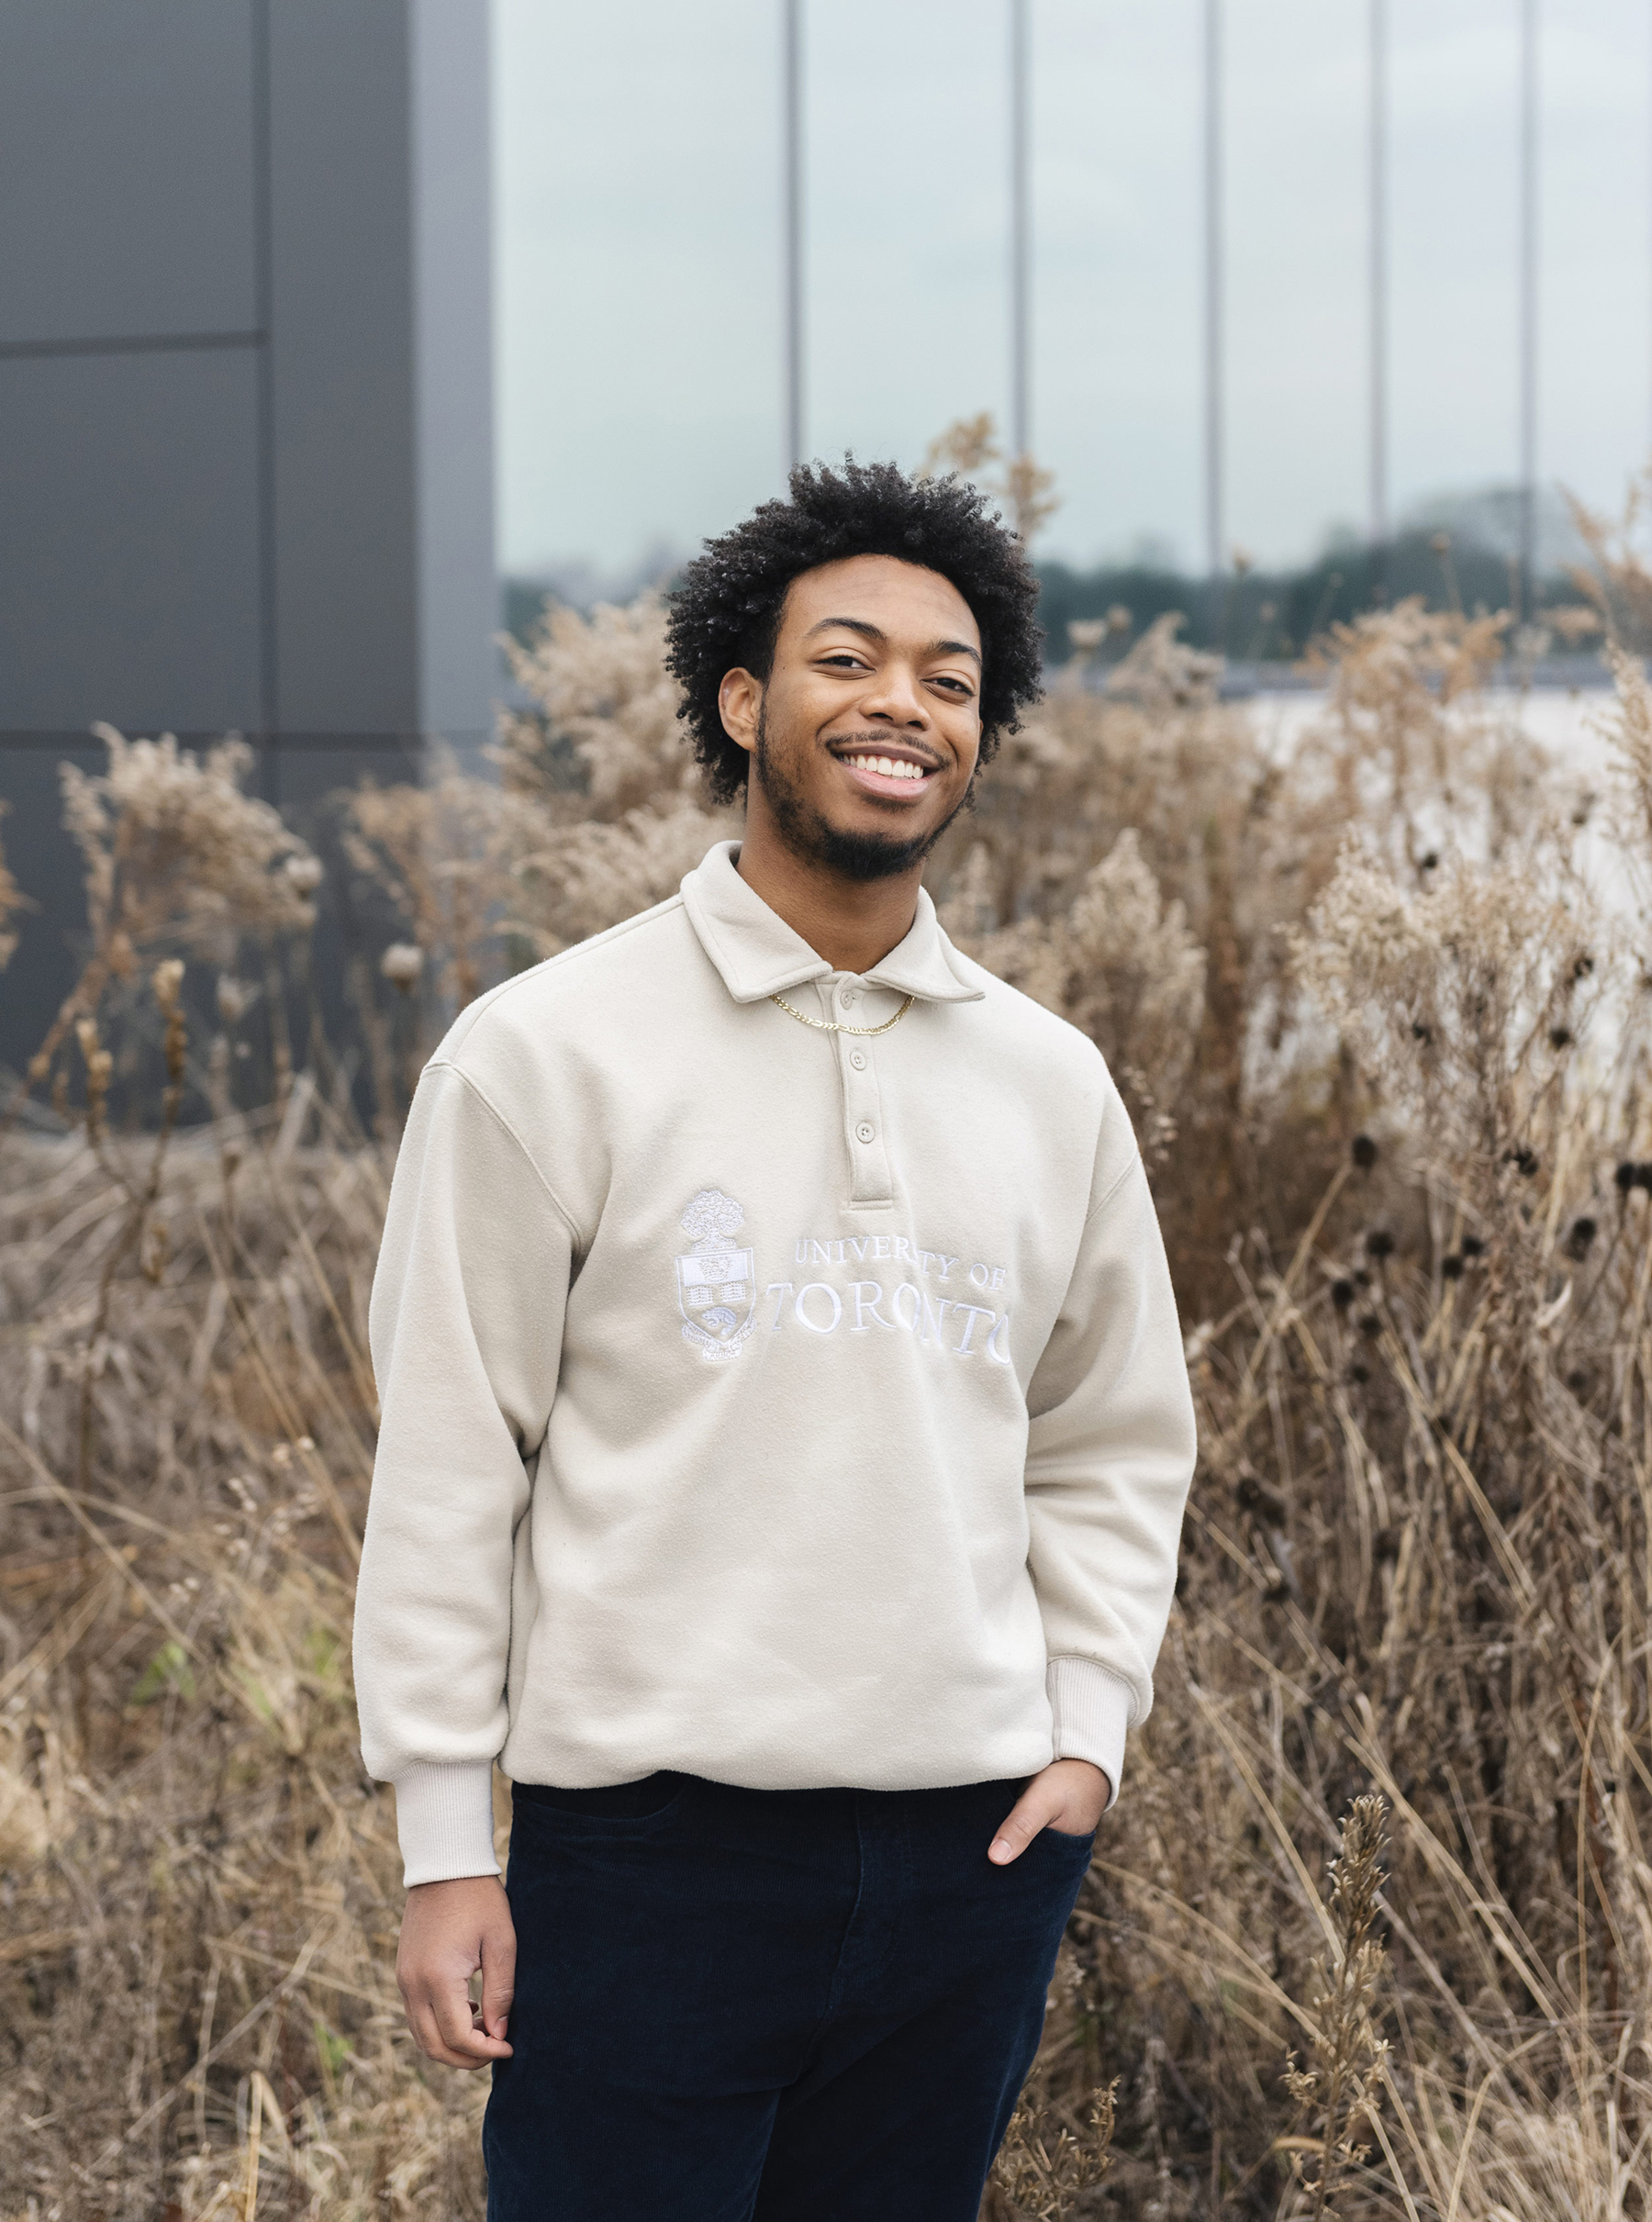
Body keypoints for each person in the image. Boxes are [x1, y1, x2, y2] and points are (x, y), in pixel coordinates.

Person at [353, 458, 1197, 2220]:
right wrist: (448, 1840)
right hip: (650, 1850)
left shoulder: (1049, 1084)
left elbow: (1113, 1432)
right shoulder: (542, 1054)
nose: (903, 704)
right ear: (743, 701)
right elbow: (449, 1460)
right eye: (847, 658)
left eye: (951, 680)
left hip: (973, 1846)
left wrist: (1090, 1725)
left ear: (980, 738)